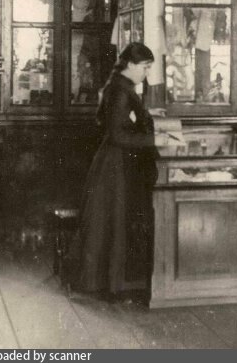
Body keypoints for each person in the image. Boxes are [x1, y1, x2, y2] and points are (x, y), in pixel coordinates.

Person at [65, 42, 168, 301]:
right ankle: (114, 285)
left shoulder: (120, 86)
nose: (147, 73)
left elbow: (120, 119)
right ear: (131, 65)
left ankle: (114, 282)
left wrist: (147, 112)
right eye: (145, 67)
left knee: (113, 223)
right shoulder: (121, 90)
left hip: (115, 162)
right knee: (115, 223)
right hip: (116, 166)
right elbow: (118, 135)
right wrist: (155, 140)